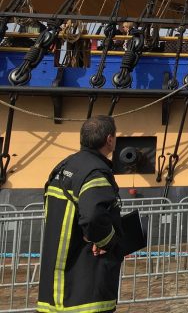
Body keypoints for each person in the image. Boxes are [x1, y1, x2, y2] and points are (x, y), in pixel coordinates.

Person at [38, 115, 124, 313]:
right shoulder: (95, 172)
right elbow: (93, 216)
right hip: (83, 286)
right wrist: (105, 241)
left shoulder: (63, 166)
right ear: (109, 140)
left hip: (54, 284)